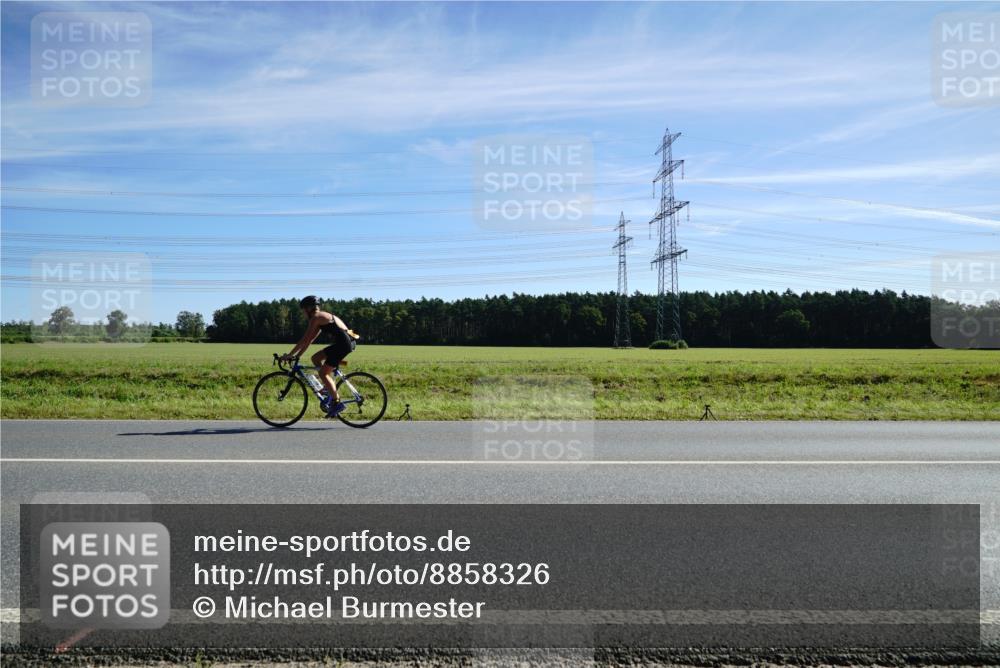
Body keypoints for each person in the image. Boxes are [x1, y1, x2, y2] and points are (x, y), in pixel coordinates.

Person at [281, 296, 357, 417]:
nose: (303, 313)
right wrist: (297, 356)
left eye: (303, 310)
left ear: (308, 308)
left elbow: (304, 340)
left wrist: (290, 355)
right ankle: (328, 387)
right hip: (345, 343)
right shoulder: (321, 317)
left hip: (343, 345)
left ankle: (336, 403)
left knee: (323, 373)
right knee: (315, 358)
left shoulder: (316, 318)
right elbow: (309, 340)